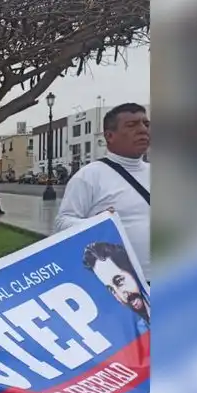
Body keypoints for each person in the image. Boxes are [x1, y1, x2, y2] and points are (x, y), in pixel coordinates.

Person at [55, 103, 151, 280]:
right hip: (126, 284)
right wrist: (97, 223)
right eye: (132, 125)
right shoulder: (89, 176)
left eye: (146, 124)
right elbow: (62, 223)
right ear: (109, 136)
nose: (143, 130)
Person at [82, 241, 150, 331]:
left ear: (132, 270)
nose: (122, 296)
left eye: (119, 282)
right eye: (112, 290)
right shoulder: (142, 330)